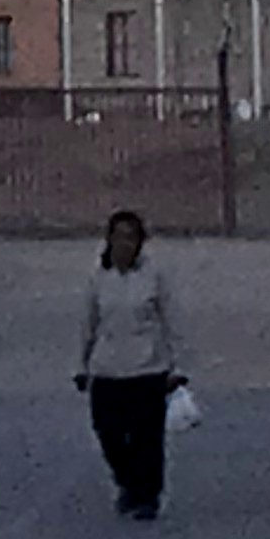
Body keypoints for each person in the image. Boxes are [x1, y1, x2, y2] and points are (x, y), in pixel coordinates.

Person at [74, 207, 188, 521]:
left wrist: (178, 367)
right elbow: (88, 323)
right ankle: (126, 481)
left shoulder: (154, 276)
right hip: (107, 369)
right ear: (109, 240)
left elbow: (172, 321)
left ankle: (147, 496)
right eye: (119, 237)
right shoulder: (98, 277)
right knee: (108, 432)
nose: (126, 244)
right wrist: (81, 366)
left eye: (132, 238)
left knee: (147, 438)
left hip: (147, 368)